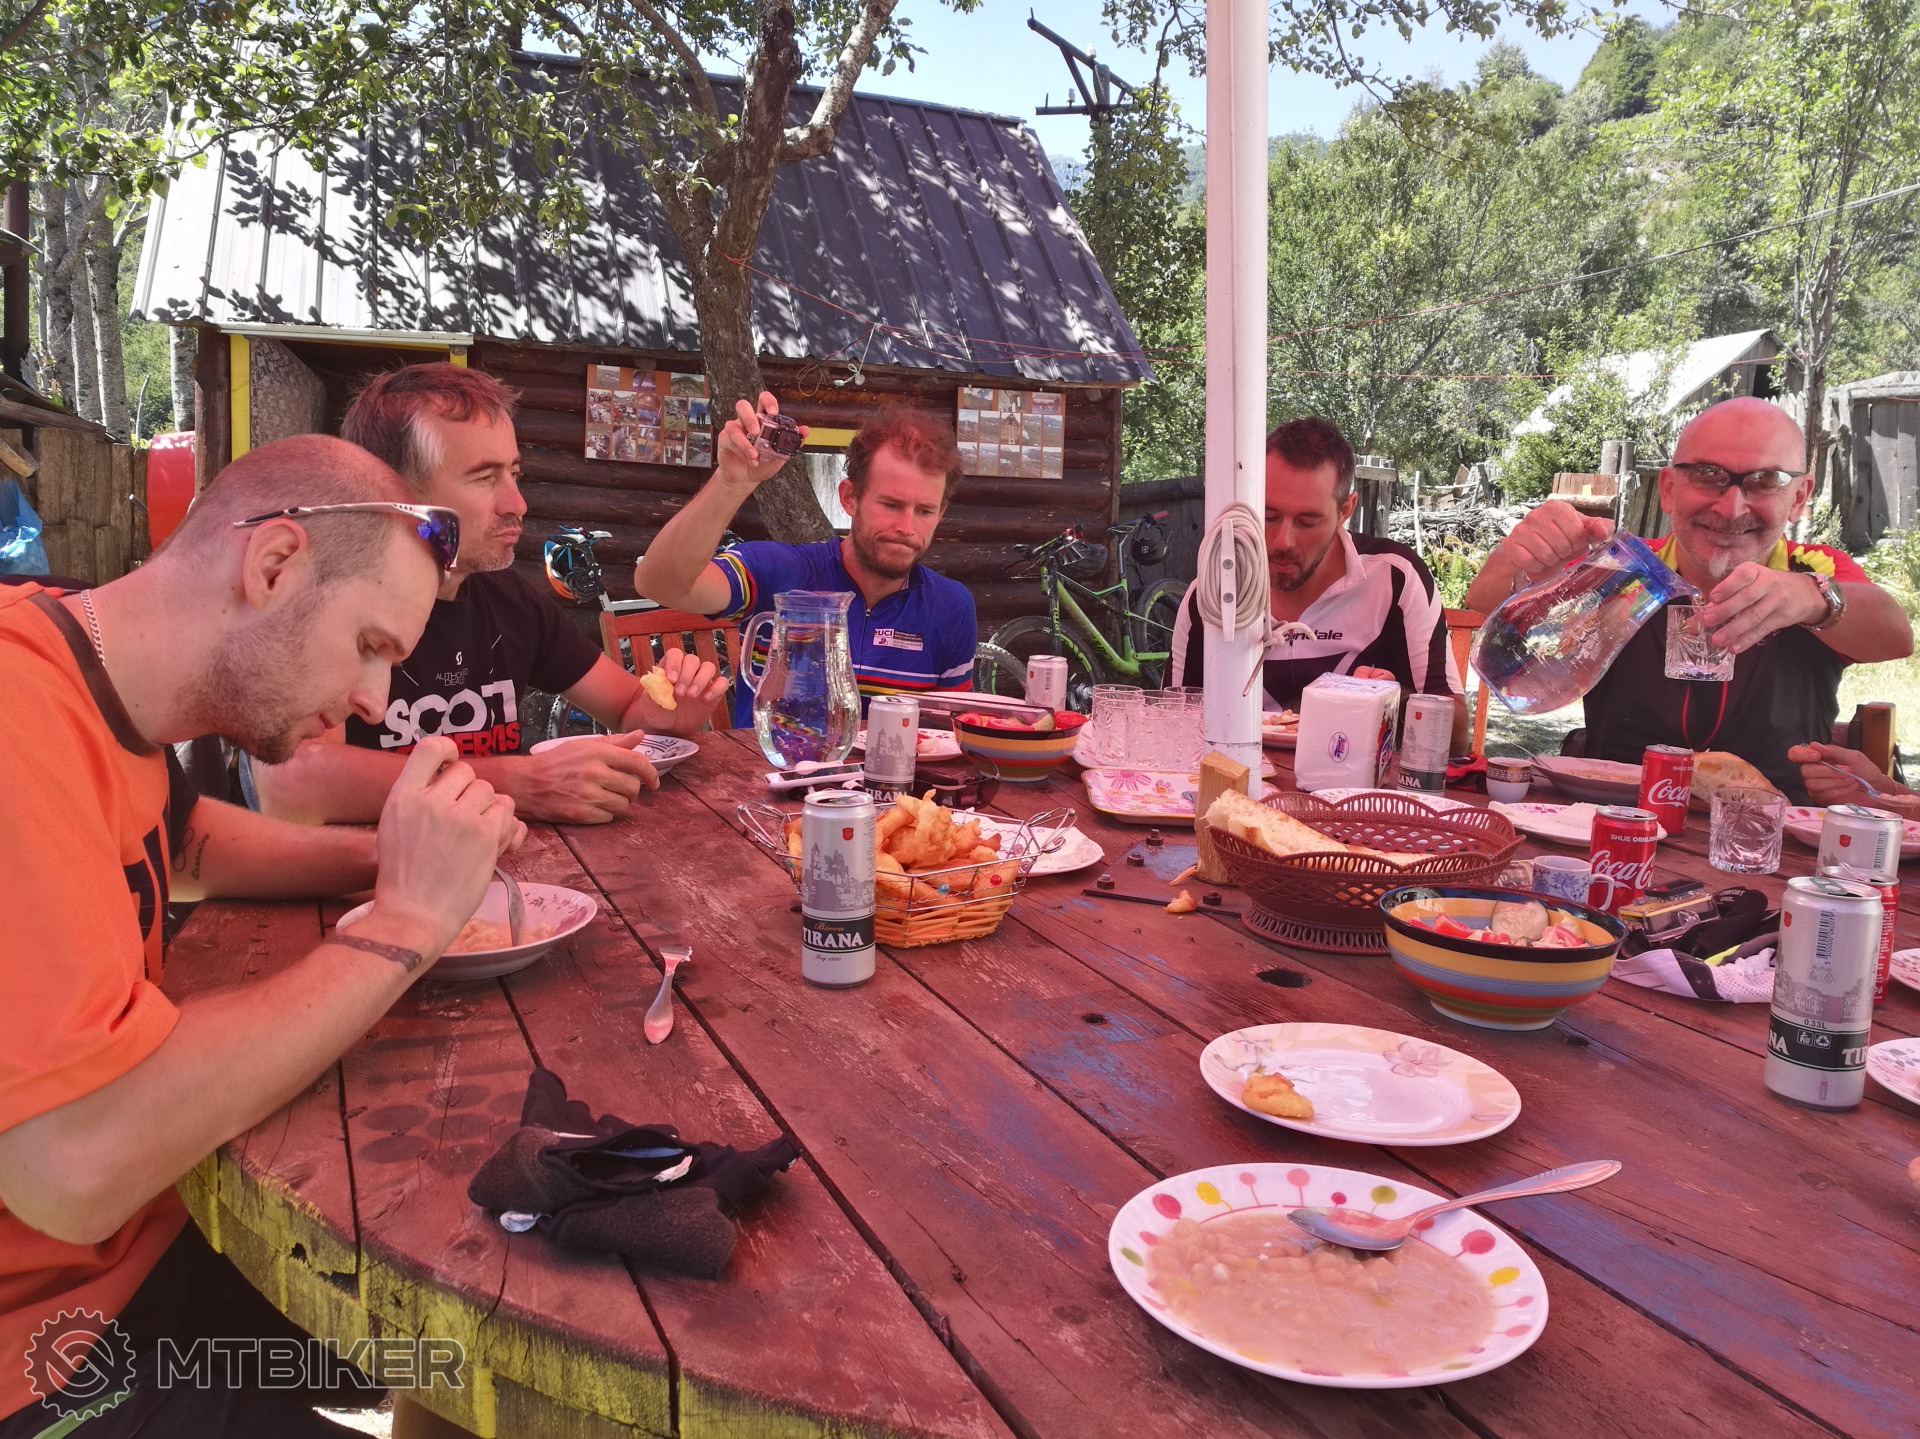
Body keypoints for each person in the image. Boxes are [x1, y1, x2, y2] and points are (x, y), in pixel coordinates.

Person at [0, 435, 523, 1436]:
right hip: (41, 1347)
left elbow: (187, 839)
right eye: (370, 645)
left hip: (149, 1240)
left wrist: (399, 858)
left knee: (482, 1349)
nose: (376, 700)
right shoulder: (14, 712)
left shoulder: (98, 683)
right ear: (273, 564)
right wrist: (406, 920)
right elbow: (73, 1166)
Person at [252, 365, 728, 826]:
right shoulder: (321, 600)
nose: (517, 504)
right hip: (368, 874)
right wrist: (521, 782)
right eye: (484, 477)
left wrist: (669, 711)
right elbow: (289, 782)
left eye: (514, 474)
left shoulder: (508, 599)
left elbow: (626, 710)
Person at [1464, 397, 1914, 801]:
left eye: (1765, 481)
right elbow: (1483, 598)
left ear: (1798, 498)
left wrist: (1814, 599)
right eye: (1707, 475)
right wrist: (1526, 559)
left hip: (1769, 835)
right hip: (1612, 820)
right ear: (1668, 489)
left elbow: (1896, 636)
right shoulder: (1626, 568)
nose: (1731, 508)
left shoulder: (1815, 569)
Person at [634, 397, 976, 727]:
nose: (907, 527)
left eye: (925, 511)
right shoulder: (781, 571)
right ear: (850, 498)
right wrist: (729, 482)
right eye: (891, 505)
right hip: (767, 767)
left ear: (940, 513)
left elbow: (947, 734)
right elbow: (660, 584)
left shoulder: (951, 606)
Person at [1167, 415, 1465, 747]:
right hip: (1237, 773)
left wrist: (1389, 702)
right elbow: (1170, 720)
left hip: (1351, 777)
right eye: (1269, 516)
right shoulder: (1214, 591)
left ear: (1345, 510)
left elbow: (1455, 736)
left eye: (1307, 521)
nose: (1283, 541)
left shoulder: (1394, 578)